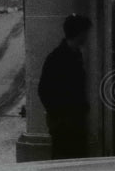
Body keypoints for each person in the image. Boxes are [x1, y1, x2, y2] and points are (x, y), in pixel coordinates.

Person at [38, 14, 92, 160]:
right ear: (79, 33)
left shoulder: (74, 55)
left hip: (72, 120)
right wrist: (59, 117)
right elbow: (44, 90)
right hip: (65, 124)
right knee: (67, 162)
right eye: (86, 32)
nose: (88, 36)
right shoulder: (57, 58)